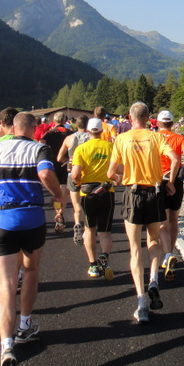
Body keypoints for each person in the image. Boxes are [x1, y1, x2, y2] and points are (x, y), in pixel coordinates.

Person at [0, 112, 62, 366]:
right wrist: (57, 194)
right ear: (34, 128)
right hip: (32, 218)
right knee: (31, 270)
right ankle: (25, 324)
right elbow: (45, 173)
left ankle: (6, 347)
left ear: (11, 127)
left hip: (2, 221)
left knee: (6, 287)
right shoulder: (39, 147)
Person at [107, 102, 179, 324]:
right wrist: (172, 183)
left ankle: (141, 301)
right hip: (155, 193)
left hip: (133, 193)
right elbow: (176, 159)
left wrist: (122, 177)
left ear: (129, 117)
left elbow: (111, 173)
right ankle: (154, 279)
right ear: (149, 118)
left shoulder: (121, 139)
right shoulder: (157, 137)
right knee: (153, 239)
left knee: (134, 248)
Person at [70, 118, 115, 280]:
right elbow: (121, 169)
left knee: (89, 229)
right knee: (105, 231)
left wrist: (78, 183)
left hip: (88, 193)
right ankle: (105, 256)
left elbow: (75, 174)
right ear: (101, 131)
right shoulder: (111, 147)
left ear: (88, 131)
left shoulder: (81, 149)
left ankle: (93, 265)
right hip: (106, 191)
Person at [155, 110, 184, 282]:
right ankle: (170, 252)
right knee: (174, 219)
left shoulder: (154, 138)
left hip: (159, 180)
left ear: (157, 123)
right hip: (176, 181)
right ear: (172, 124)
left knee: (162, 222)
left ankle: (167, 255)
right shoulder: (179, 138)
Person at [56, 114, 90, 244]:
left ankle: (76, 224)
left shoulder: (69, 139)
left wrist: (69, 162)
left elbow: (59, 158)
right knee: (87, 203)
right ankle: (88, 229)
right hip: (87, 174)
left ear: (76, 125)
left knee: (76, 206)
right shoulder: (91, 139)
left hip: (71, 173)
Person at [39, 112, 72, 233]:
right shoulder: (69, 133)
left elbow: (40, 143)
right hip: (65, 163)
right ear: (65, 120)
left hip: (52, 163)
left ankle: (58, 212)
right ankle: (60, 213)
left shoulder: (49, 133)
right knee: (63, 192)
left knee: (56, 193)